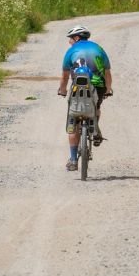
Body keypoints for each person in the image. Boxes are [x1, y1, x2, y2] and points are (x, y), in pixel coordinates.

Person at [58, 25, 112, 171]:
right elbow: (107, 72)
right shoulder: (99, 49)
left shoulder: (71, 51)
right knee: (96, 107)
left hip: (78, 86)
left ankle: (74, 159)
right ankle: (95, 129)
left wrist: (62, 90)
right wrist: (107, 89)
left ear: (76, 38)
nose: (70, 42)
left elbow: (65, 76)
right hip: (98, 86)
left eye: (71, 39)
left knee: (74, 118)